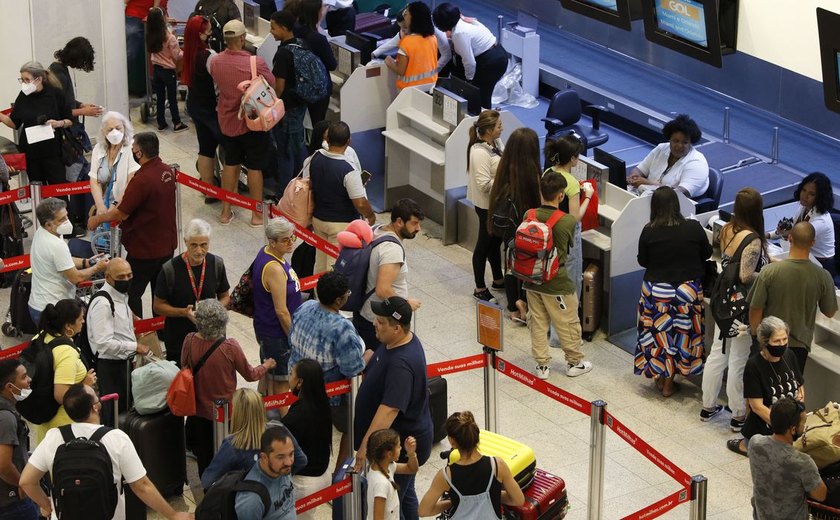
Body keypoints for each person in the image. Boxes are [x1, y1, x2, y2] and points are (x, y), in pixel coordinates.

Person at [19, 384, 193, 520]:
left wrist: (47, 505)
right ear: (96, 407)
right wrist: (172, 515)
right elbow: (142, 486)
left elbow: (26, 481)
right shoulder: (116, 438)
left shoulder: (54, 437)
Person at [353, 296, 434, 520]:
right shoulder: (397, 341)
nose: (374, 324)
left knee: (392, 504)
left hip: (400, 447)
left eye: (380, 322)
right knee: (406, 496)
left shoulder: (402, 364)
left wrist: (364, 448)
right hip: (402, 443)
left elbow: (389, 410)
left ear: (397, 328)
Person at [182, 299, 276, 477]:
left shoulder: (189, 340)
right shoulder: (229, 347)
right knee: (228, 453)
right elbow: (251, 374)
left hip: (199, 411)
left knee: (204, 455)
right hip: (226, 413)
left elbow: (184, 366)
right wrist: (267, 365)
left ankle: (207, 487)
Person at [88, 132, 178, 318]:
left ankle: (137, 329)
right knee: (160, 293)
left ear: (139, 153)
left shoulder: (142, 180)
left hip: (144, 249)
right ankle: (160, 329)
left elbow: (122, 212)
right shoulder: (166, 171)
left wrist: (97, 219)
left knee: (131, 293)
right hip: (166, 246)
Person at [700, 188, 768, 432]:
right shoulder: (753, 240)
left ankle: (708, 405)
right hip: (742, 307)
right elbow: (745, 274)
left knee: (718, 352)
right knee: (738, 359)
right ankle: (738, 413)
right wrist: (769, 272)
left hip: (723, 299)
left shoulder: (728, 228)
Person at [634, 186, 711, 396]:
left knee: (658, 336)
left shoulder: (649, 230)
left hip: (656, 291)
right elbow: (708, 252)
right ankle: (669, 383)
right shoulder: (694, 228)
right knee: (681, 337)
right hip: (686, 292)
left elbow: (643, 261)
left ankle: (660, 378)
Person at [288, 271, 364, 473]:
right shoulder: (342, 329)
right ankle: (339, 479)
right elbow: (353, 369)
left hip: (298, 385)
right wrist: (369, 355)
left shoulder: (305, 307)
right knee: (350, 428)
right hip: (329, 396)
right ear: (339, 300)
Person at [525, 171, 593, 380]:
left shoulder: (530, 214)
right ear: (561, 195)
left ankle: (542, 366)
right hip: (557, 282)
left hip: (532, 278)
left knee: (537, 322)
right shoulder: (566, 222)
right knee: (568, 321)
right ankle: (574, 362)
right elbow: (566, 248)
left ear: (541, 192)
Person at [209, 19, 275, 227]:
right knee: (255, 168)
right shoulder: (255, 62)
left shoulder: (216, 62)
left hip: (227, 122)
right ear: (242, 38)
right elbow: (271, 84)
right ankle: (256, 215)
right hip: (253, 122)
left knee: (230, 164)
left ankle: (226, 212)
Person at [748, 221, 837, 373]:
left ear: (789, 238)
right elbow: (829, 312)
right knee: (789, 392)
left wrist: (757, 336)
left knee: (759, 390)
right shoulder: (823, 276)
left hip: (768, 340)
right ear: (813, 242)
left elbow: (755, 308)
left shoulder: (769, 271)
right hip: (799, 347)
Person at [418, 411, 525, 519]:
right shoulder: (497, 466)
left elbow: (424, 511)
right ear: (476, 435)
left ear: (452, 441)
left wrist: (452, 502)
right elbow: (518, 500)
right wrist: (495, 494)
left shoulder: (446, 476)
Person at [154, 219, 230, 365]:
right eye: (193, 245)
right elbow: (158, 306)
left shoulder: (216, 264)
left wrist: (214, 310)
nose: (199, 251)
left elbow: (225, 296)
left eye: (203, 245)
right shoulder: (170, 269)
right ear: (185, 242)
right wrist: (183, 312)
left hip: (213, 338)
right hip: (180, 340)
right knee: (183, 384)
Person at [486, 127, 542, 324]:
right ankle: (524, 303)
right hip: (526, 231)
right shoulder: (532, 176)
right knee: (527, 268)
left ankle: (513, 306)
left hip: (509, 231)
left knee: (510, 265)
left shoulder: (504, 169)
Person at [727, 316, 805, 457]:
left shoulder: (789, 355)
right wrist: (784, 430)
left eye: (785, 339)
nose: (782, 344)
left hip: (789, 428)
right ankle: (745, 446)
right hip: (765, 431)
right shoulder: (754, 365)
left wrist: (800, 396)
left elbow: (799, 384)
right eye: (777, 341)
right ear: (764, 341)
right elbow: (756, 406)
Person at [354, 199, 424, 353]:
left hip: (364, 311)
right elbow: (383, 290)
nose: (418, 228)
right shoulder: (392, 249)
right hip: (381, 320)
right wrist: (405, 304)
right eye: (414, 223)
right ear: (399, 222)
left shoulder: (377, 229)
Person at [201, 388, 307, 490]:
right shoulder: (279, 429)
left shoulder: (233, 444)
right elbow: (301, 460)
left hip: (246, 503)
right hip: (278, 499)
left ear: (236, 413)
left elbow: (208, 481)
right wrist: (280, 478)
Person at [308, 121, 376, 274]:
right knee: (334, 269)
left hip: (318, 219)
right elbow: (359, 202)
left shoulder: (316, 157)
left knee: (320, 264)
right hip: (340, 225)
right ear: (348, 141)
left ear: (327, 139)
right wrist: (370, 216)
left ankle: (318, 296)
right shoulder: (348, 170)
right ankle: (329, 298)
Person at [50, 36, 102, 233]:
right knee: (79, 176)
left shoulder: (58, 69)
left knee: (79, 175)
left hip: (67, 137)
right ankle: (77, 219)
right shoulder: (60, 74)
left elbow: (64, 101)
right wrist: (83, 111)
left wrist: (80, 105)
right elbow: (58, 111)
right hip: (66, 139)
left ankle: (78, 217)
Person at [88, 258, 150, 420]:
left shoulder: (120, 295)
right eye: (121, 277)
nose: (126, 280)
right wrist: (134, 346)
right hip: (110, 369)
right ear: (108, 277)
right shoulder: (103, 303)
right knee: (114, 414)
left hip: (124, 364)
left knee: (126, 410)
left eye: (129, 276)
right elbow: (103, 344)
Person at [29, 198, 108, 324]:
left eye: (66, 216)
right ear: (48, 224)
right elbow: (75, 278)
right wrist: (97, 267)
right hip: (52, 310)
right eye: (62, 220)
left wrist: (85, 262)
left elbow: (63, 261)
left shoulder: (43, 232)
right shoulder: (55, 244)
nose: (67, 222)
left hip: (40, 304)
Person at [748, 397, 826, 520]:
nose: (805, 426)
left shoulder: (755, 443)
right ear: (793, 429)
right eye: (803, 423)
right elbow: (821, 495)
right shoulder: (803, 462)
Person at [31, 299, 96, 443]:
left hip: (45, 417)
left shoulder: (41, 337)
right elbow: (61, 394)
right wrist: (84, 385)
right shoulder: (66, 352)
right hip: (64, 425)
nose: (83, 321)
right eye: (80, 319)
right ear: (68, 326)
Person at [0, 61, 73, 186]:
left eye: (27, 79)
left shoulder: (56, 94)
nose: (24, 83)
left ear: (38, 79)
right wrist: (1, 117)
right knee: (37, 191)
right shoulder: (23, 96)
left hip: (53, 152)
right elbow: (14, 123)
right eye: (21, 80)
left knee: (59, 190)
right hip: (31, 153)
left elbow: (70, 120)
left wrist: (59, 123)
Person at [252, 217, 302, 397]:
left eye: (292, 237)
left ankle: (259, 413)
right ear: (272, 242)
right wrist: (294, 338)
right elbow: (281, 311)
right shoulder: (273, 268)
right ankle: (286, 424)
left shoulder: (269, 254)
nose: (291, 242)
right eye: (285, 240)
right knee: (281, 384)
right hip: (277, 334)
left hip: (268, 330)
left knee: (267, 376)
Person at [543, 135, 595, 299]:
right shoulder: (571, 183)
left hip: (550, 228)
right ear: (572, 158)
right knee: (572, 274)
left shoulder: (547, 172)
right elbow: (574, 218)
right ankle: (571, 312)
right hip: (568, 233)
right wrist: (587, 196)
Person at [281, 359, 333, 519]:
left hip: (304, 482)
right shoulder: (323, 403)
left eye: (291, 374)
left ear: (300, 382)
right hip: (323, 473)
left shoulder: (298, 415)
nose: (289, 378)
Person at [432, 3, 508, 109]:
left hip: (491, 61)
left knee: (479, 96)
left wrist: (469, 81)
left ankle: (485, 121)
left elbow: (469, 62)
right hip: (497, 53)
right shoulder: (462, 20)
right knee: (481, 93)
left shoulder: (459, 33)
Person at [182, 15, 223, 202]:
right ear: (200, 34)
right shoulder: (210, 56)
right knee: (229, 147)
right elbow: (219, 83)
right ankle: (229, 190)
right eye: (208, 31)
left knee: (205, 147)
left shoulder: (187, 54)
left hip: (195, 105)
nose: (211, 33)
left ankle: (208, 189)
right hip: (210, 107)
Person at [269, 10, 312, 189]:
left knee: (285, 150)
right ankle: (303, 184)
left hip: (286, 109)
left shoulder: (283, 54)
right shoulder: (302, 45)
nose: (271, 31)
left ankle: (285, 193)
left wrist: (271, 104)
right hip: (300, 104)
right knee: (297, 144)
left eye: (273, 28)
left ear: (284, 28)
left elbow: (279, 87)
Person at [467, 110, 504, 302]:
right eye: (499, 126)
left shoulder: (495, 143)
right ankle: (480, 287)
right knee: (484, 245)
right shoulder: (479, 153)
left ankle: (498, 279)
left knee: (495, 241)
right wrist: (504, 179)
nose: (502, 128)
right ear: (489, 130)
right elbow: (483, 185)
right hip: (486, 206)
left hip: (497, 204)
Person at [769, 172, 836, 277]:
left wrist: (782, 234)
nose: (805, 196)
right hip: (805, 255)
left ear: (820, 197)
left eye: (811, 194)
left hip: (820, 265)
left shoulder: (821, 221)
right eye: (804, 190)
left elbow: (795, 237)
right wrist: (769, 235)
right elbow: (791, 229)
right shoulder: (804, 207)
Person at [626, 114, 709, 198]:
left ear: (691, 143)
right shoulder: (661, 148)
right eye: (675, 141)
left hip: (675, 205)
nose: (679, 146)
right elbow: (639, 169)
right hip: (647, 196)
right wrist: (634, 176)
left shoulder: (697, 163)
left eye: (685, 142)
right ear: (669, 139)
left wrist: (647, 183)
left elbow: (679, 193)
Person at [0, 359, 38, 520]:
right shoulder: (6, 417)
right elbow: (3, 465)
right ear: (9, 386)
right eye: (23, 377)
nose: (29, 380)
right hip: (11, 502)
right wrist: (23, 484)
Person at [234, 426, 297, 520]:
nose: (289, 462)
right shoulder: (251, 500)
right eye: (280, 457)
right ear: (264, 457)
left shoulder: (281, 470)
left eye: (291, 454)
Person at [293, 0, 337, 126]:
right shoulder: (318, 39)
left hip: (298, 83)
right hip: (318, 88)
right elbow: (332, 65)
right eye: (323, 7)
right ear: (316, 12)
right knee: (318, 125)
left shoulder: (295, 30)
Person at [88, 112, 140, 216]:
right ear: (104, 132)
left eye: (118, 128)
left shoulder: (132, 147)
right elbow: (94, 180)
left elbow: (131, 180)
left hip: (126, 204)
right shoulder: (98, 149)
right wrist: (100, 205)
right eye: (110, 129)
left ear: (124, 128)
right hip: (105, 204)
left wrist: (115, 204)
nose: (115, 132)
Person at [146, 7, 188, 132]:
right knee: (172, 98)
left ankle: (161, 123)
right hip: (168, 71)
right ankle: (177, 122)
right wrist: (184, 52)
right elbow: (176, 55)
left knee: (160, 97)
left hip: (157, 70)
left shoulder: (150, 35)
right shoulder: (170, 38)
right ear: (162, 19)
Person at [366, 430, 419, 520]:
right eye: (399, 446)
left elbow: (411, 469)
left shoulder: (384, 466)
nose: (401, 448)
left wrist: (411, 454)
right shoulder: (381, 484)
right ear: (389, 454)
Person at [385, 2, 438, 91]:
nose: (404, 15)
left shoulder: (407, 42)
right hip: (431, 87)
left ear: (414, 18)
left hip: (409, 91)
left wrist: (389, 61)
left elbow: (400, 70)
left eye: (406, 14)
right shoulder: (433, 38)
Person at [125, 0, 168, 96]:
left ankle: (149, 85)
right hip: (137, 14)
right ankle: (127, 85)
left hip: (156, 13)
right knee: (132, 50)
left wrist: (154, 11)